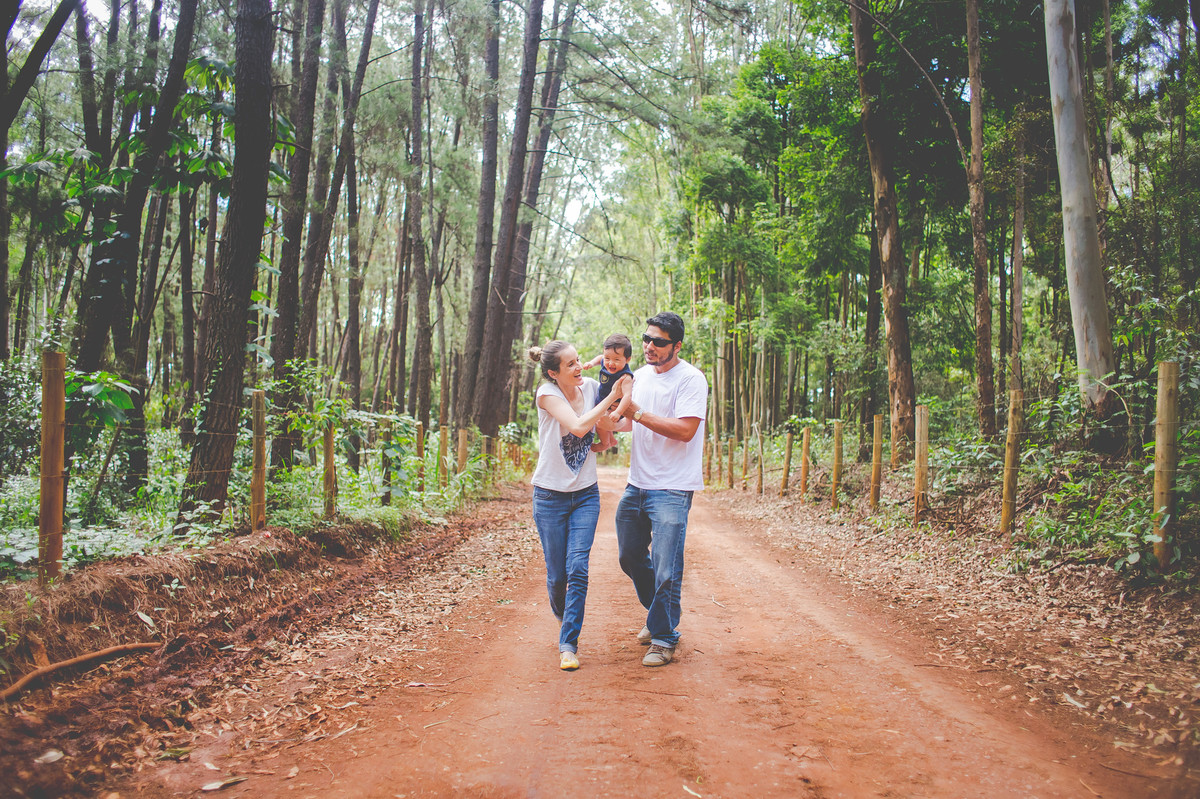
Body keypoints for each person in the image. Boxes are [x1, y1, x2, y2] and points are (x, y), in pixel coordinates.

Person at [613, 311, 708, 667]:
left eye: (659, 342)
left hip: (673, 486)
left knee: (667, 567)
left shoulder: (692, 380)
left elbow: (685, 430)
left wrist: (636, 413)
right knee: (629, 555)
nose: (650, 346)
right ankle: (659, 615)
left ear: (677, 346)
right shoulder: (637, 377)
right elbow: (627, 423)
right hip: (637, 483)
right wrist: (602, 427)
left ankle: (665, 637)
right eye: (646, 339)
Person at [528, 340, 625, 671]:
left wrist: (615, 426)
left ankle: (569, 643)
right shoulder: (547, 394)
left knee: (578, 568)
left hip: (585, 494)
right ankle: (563, 618)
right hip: (549, 497)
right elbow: (579, 425)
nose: (579, 367)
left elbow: (610, 417)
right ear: (554, 373)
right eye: (570, 365)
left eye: (579, 360)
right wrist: (611, 398)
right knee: (557, 576)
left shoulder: (593, 387)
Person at [581, 333, 635, 452]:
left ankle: (605, 443)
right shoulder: (604, 361)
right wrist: (591, 363)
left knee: (600, 422)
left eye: (616, 359)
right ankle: (611, 440)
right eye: (607, 358)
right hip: (602, 400)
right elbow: (600, 357)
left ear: (627, 359)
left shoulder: (625, 377)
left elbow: (627, 396)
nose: (610, 363)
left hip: (614, 406)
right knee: (596, 418)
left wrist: (618, 412)